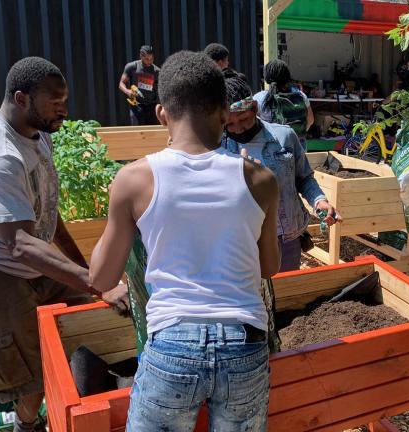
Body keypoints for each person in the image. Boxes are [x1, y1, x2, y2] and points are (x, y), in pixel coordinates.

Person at [88, 51, 280, 431]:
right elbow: (269, 268)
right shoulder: (260, 180)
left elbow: (101, 279)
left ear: (161, 114)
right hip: (244, 342)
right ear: (224, 113)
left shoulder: (133, 180)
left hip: (173, 341)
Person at [0, 57, 128, 432]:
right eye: (55, 103)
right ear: (22, 98)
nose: (65, 110)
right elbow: (20, 244)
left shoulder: (39, 136)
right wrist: (100, 283)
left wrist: (90, 273)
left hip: (24, 256)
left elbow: (47, 215)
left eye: (65, 100)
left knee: (93, 321)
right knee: (30, 370)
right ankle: (28, 425)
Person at [222, 69, 340, 272]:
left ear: (255, 109)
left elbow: (303, 178)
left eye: (243, 119)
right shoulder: (219, 148)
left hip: (287, 238)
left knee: (287, 294)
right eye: (230, 124)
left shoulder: (284, 137)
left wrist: (319, 201)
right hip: (243, 242)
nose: (238, 128)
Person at [254, 59, 315, 144]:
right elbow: (310, 120)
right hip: (298, 149)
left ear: (266, 77)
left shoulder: (259, 98)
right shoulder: (300, 95)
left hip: (271, 150)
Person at [119, 45, 161, 125]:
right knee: (137, 132)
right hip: (136, 106)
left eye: (151, 59)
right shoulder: (132, 67)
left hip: (151, 107)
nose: (150, 61)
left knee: (151, 133)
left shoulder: (157, 71)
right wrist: (127, 91)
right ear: (141, 56)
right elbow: (121, 83)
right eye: (147, 59)